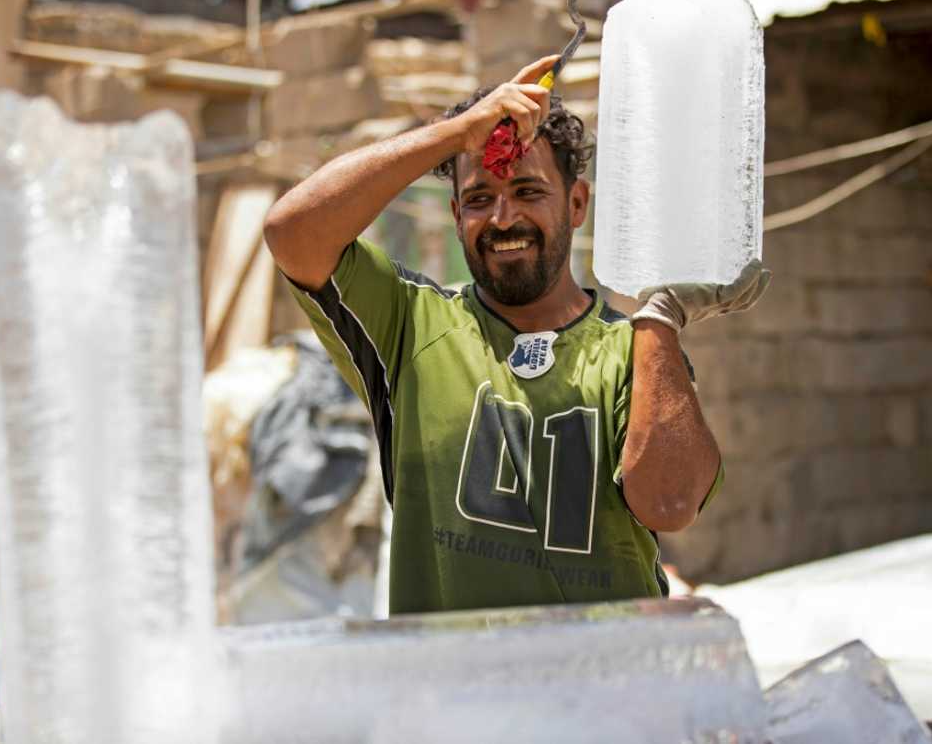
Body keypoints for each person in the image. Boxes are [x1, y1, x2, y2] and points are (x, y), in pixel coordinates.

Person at [263, 55, 770, 615]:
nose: (503, 219)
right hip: (457, 692)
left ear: (576, 205)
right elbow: (292, 230)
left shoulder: (634, 348)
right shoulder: (410, 324)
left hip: (609, 689)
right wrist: (457, 132)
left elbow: (670, 504)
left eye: (528, 191)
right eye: (480, 199)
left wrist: (661, 318)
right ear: (456, 216)